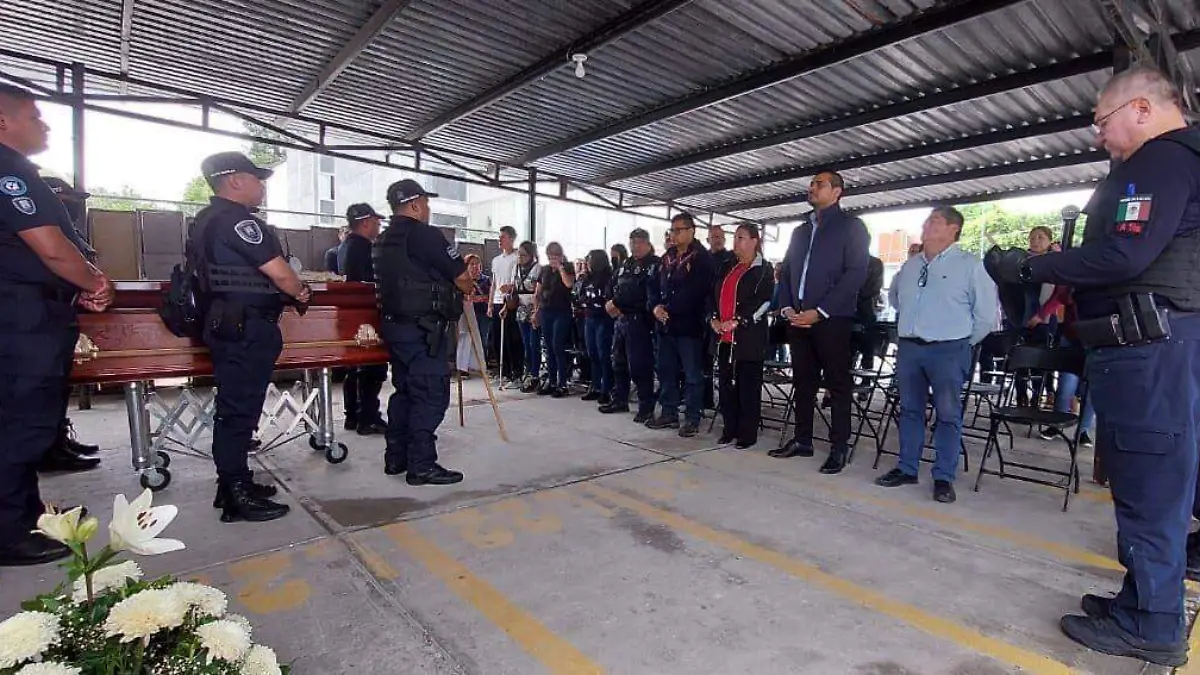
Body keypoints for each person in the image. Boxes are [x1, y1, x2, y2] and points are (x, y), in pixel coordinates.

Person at [994, 66, 1200, 666]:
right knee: (1149, 480)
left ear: (1141, 109)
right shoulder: (1179, 162)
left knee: (1147, 484)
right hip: (1160, 346)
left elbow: (1124, 253)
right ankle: (1141, 602)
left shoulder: (1161, 160)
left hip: (1147, 348)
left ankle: (1153, 623)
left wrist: (1029, 267)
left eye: (1102, 120)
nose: (1097, 133)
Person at [0, 84, 115, 566]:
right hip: (21, 316)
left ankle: (27, 514)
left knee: (24, 419)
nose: (44, 125)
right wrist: (93, 282)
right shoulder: (9, 172)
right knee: (19, 423)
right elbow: (50, 247)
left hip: (28, 312)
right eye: (34, 116)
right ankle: (9, 532)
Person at [193, 151, 310, 523]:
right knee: (239, 411)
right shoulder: (238, 221)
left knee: (236, 408)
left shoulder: (206, 219)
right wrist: (300, 292)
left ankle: (233, 484)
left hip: (227, 322)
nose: (261, 187)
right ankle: (236, 496)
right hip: (245, 326)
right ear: (235, 181)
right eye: (256, 179)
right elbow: (281, 274)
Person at [875, 206, 996, 505]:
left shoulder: (970, 265)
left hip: (949, 349)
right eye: (927, 220)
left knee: (948, 414)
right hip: (910, 347)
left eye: (935, 221)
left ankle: (943, 476)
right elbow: (896, 299)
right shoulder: (911, 265)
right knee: (909, 410)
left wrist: (962, 343)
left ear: (954, 229)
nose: (927, 225)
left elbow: (985, 315)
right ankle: (907, 468)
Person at [770, 171, 870, 476]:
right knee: (803, 381)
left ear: (837, 192)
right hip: (797, 318)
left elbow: (856, 273)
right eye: (811, 184)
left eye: (820, 184)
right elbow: (787, 272)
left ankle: (839, 445)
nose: (812, 188)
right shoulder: (800, 231)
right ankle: (803, 439)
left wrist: (822, 311)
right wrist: (787, 307)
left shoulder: (851, 227)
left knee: (837, 384)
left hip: (831, 319)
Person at [374, 179, 472, 486]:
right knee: (430, 393)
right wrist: (464, 285)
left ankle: (396, 457)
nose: (428, 209)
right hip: (423, 330)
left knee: (404, 391)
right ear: (415, 205)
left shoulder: (383, 239)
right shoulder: (425, 235)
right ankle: (421, 464)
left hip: (394, 326)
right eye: (426, 203)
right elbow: (462, 278)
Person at [40, 176, 104, 470]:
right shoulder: (39, 230)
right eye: (66, 201)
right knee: (43, 388)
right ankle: (47, 449)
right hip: (41, 313)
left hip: (63, 309)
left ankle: (57, 440)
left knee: (58, 385)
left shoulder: (65, 230)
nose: (72, 208)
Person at [648, 212, 715, 437]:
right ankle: (669, 412)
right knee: (666, 370)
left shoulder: (701, 258)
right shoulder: (666, 258)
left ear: (691, 231)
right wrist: (655, 307)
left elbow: (696, 291)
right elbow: (653, 286)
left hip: (689, 325)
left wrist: (669, 308)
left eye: (679, 230)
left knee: (692, 374)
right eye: (672, 230)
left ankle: (693, 417)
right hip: (665, 325)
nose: (674, 235)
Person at [709, 224, 774, 449]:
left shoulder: (763, 270)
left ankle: (747, 433)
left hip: (748, 338)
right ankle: (730, 429)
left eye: (741, 237)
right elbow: (713, 296)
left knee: (748, 387)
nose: (736, 242)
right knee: (726, 385)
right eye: (735, 237)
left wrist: (739, 320)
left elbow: (764, 302)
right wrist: (713, 319)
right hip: (724, 338)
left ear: (755, 241)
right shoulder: (727, 266)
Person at [338, 203, 387, 435]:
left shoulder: (344, 246)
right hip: (366, 314)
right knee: (372, 366)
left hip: (350, 315)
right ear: (365, 222)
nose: (379, 226)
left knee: (354, 367)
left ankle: (353, 415)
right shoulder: (364, 247)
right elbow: (373, 282)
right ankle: (368, 417)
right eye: (377, 222)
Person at [601, 228, 659, 420]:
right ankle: (620, 399)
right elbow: (613, 284)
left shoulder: (654, 264)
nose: (635, 246)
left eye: (639, 242)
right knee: (618, 362)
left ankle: (646, 406)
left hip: (639, 320)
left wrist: (617, 303)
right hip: (621, 319)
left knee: (640, 365)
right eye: (633, 242)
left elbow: (639, 291)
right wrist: (611, 301)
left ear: (647, 244)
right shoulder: (627, 263)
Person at [532, 241, 575, 397]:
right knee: (548, 347)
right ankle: (552, 382)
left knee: (558, 346)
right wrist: (536, 311)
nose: (553, 259)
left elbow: (569, 284)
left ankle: (562, 383)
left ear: (561, 255)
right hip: (546, 311)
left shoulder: (568, 267)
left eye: (556, 255)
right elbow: (537, 292)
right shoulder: (544, 270)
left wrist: (561, 268)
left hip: (562, 312)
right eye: (550, 256)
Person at [580, 250, 615, 404]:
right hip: (589, 317)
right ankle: (595, 386)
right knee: (592, 353)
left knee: (603, 354)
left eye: (589, 260)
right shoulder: (587, 277)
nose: (587, 263)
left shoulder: (608, 277)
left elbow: (609, 296)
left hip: (603, 318)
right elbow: (581, 294)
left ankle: (607, 389)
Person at [488, 226, 520, 383]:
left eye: (503, 237)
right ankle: (503, 372)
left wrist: (509, 290)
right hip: (496, 301)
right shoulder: (496, 260)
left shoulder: (516, 258)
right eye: (499, 237)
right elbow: (494, 283)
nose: (500, 240)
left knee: (510, 338)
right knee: (496, 338)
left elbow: (516, 281)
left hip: (509, 301)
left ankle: (515, 372)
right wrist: (490, 304)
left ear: (511, 239)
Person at [512, 241, 542, 392]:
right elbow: (514, 287)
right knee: (525, 343)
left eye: (523, 255)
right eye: (519, 254)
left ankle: (535, 375)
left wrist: (537, 311)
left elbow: (539, 292)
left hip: (533, 308)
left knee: (533, 343)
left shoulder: (538, 269)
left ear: (531, 255)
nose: (520, 257)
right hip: (521, 307)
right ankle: (527, 372)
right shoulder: (516, 268)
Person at [456, 254, 491, 377]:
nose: (475, 267)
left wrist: (481, 298)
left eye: (477, 264)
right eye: (472, 264)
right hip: (466, 313)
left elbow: (491, 295)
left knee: (482, 339)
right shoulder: (463, 280)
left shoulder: (486, 280)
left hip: (482, 313)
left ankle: (480, 365)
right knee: (465, 339)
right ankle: (463, 368)